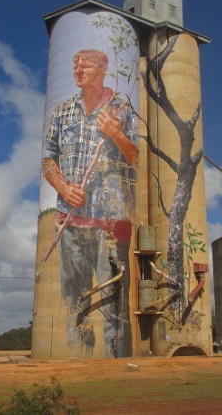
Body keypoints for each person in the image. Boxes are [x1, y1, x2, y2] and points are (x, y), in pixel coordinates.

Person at [42, 49, 138, 357]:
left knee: (114, 303)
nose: (78, 71)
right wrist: (61, 186)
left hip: (110, 224)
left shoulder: (121, 108)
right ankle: (77, 369)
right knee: (75, 301)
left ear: (102, 71)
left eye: (85, 67)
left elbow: (138, 158)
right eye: (75, 66)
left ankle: (115, 371)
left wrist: (118, 135)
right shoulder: (63, 111)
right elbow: (48, 159)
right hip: (70, 223)